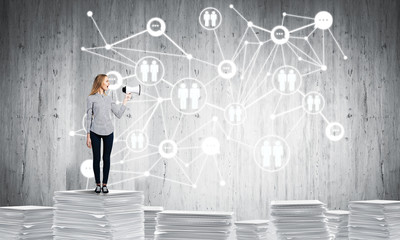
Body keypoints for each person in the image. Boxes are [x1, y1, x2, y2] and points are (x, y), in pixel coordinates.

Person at [86, 74, 132, 194]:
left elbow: (118, 114)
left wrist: (125, 100)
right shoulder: (91, 98)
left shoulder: (109, 99)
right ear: (100, 82)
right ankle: (97, 184)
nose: (108, 83)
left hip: (109, 131)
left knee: (106, 158)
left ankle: (105, 185)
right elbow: (88, 118)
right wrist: (88, 135)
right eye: (107, 81)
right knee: (96, 158)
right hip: (95, 131)